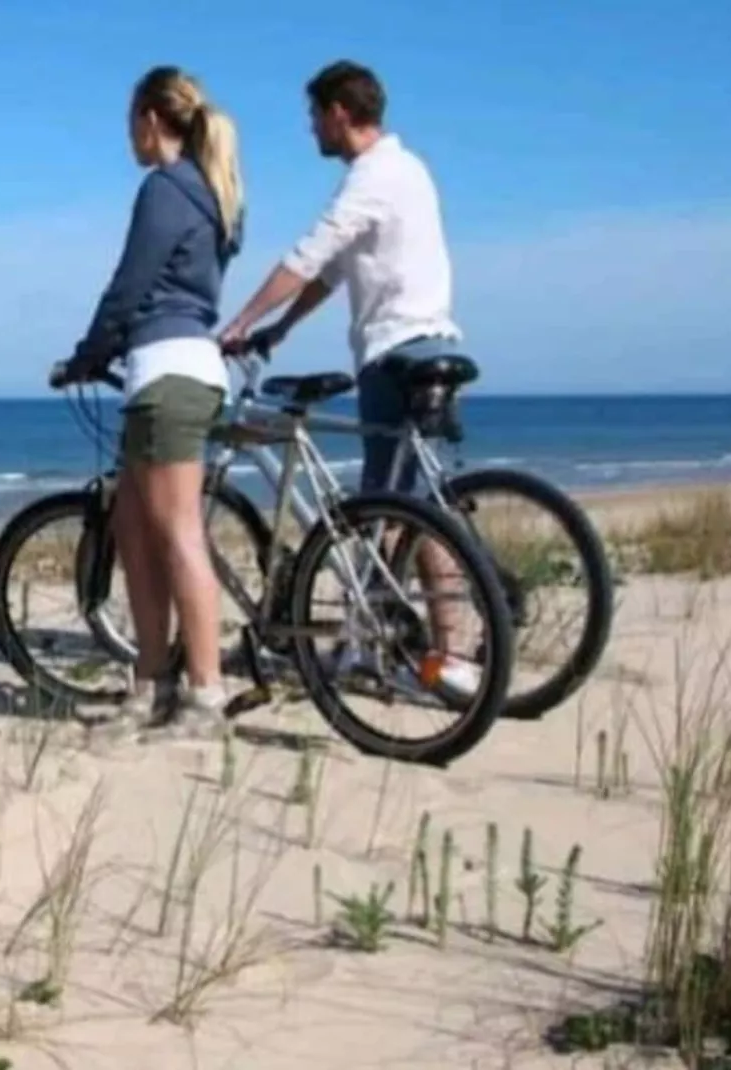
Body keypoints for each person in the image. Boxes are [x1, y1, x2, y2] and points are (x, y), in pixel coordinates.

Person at [218, 58, 480, 696]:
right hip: (428, 340)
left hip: (397, 351)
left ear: (340, 112)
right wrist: (281, 330)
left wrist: (243, 320)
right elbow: (334, 272)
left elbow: (308, 254)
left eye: (314, 117)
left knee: (393, 508)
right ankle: (423, 645)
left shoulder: (373, 176)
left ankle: (447, 652)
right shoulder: (408, 168)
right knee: (412, 503)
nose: (311, 130)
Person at [59, 65, 246, 736]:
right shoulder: (214, 193)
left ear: (149, 120)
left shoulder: (167, 189)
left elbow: (131, 284)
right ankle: (151, 682)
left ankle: (206, 695)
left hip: (169, 374)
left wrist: (88, 353)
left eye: (129, 124)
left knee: (176, 534)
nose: (128, 138)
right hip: (169, 371)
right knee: (134, 530)